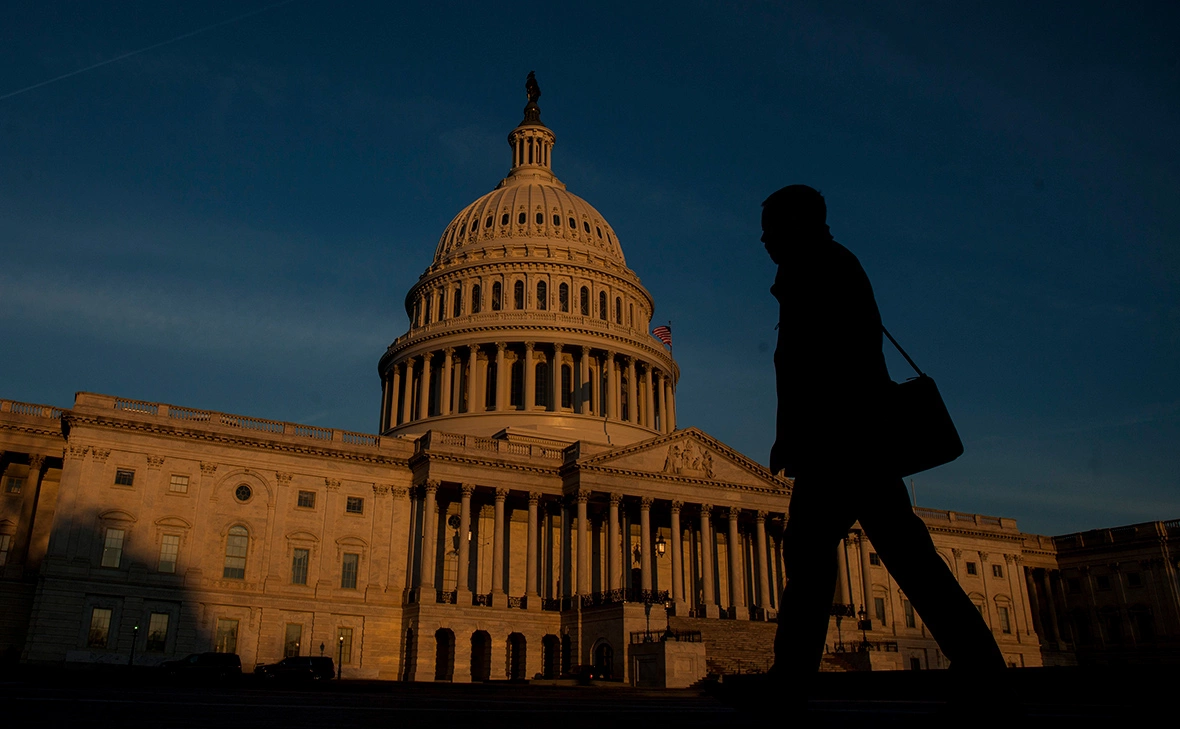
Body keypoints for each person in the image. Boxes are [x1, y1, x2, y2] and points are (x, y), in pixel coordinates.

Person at [764, 185, 1005, 682]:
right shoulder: (821, 266)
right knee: (895, 555)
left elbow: (821, 365)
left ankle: (789, 681)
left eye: (770, 227)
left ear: (795, 224)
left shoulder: (819, 269)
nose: (763, 239)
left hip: (841, 439)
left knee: (816, 558)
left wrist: (801, 433)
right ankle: (982, 664)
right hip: (851, 438)